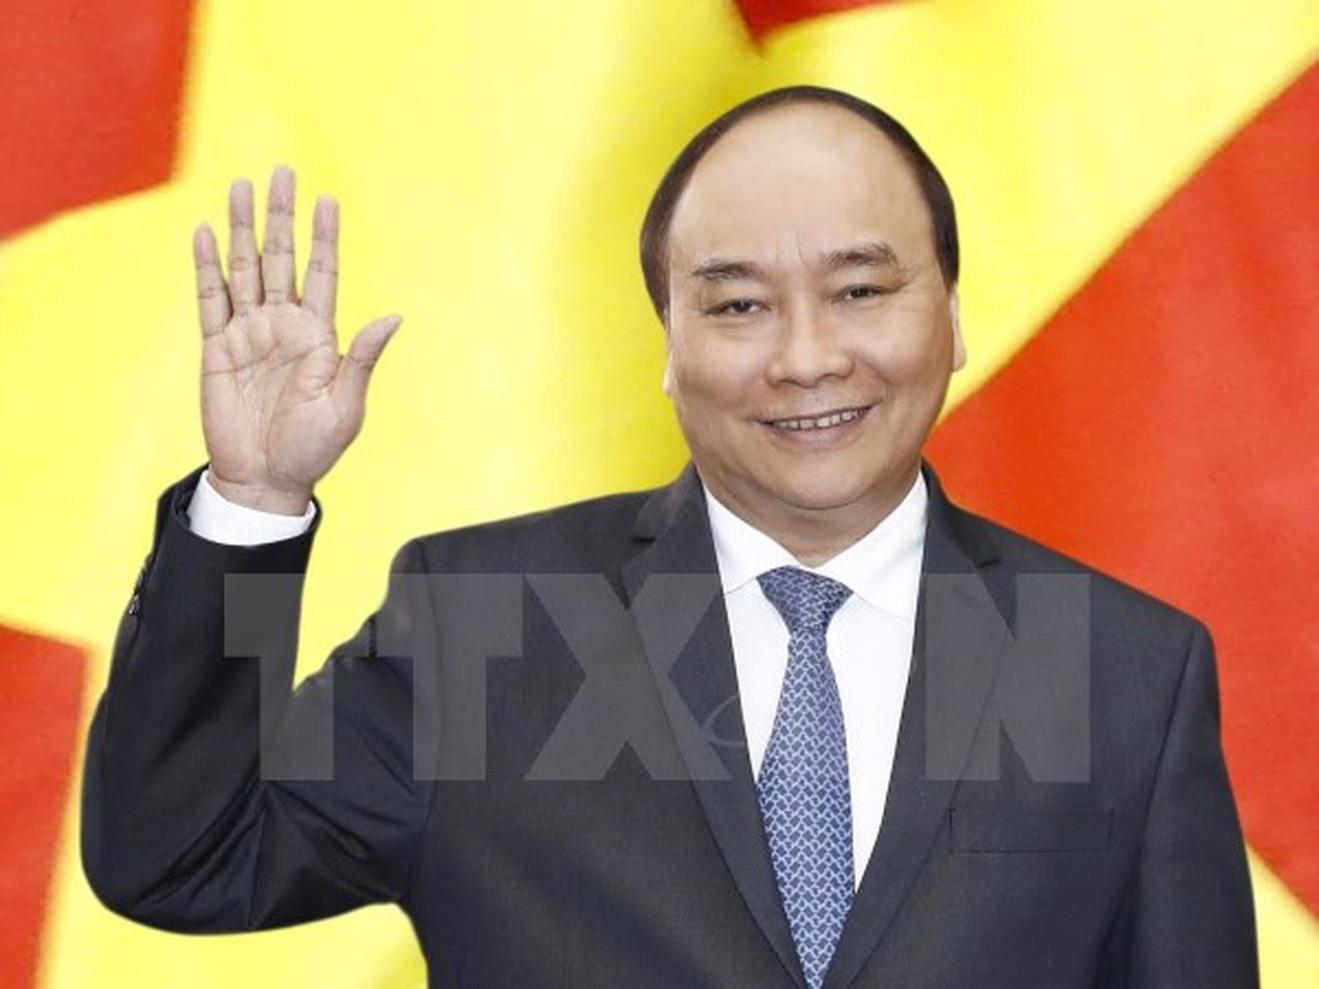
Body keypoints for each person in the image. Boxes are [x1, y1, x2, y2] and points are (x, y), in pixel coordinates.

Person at [81, 85, 1258, 987]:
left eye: (859, 290)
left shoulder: (1126, 669)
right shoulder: (481, 621)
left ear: (948, 316)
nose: (805, 356)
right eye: (737, 304)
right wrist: (251, 501)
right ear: (666, 344)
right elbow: (179, 857)